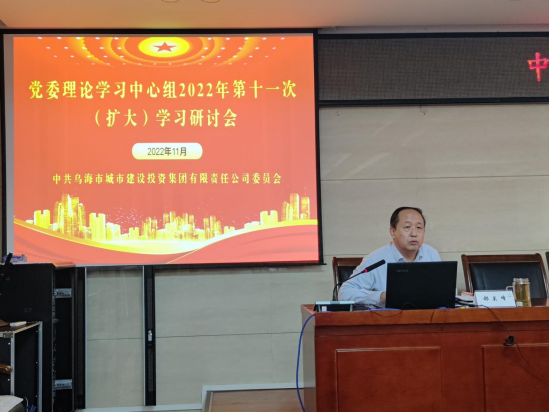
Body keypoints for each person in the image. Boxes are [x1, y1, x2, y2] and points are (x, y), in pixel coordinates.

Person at [338, 207, 441, 307]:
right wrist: (382, 297)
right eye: (407, 227)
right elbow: (344, 293)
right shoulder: (376, 259)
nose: (414, 234)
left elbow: (443, 290)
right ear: (393, 232)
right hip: (388, 317)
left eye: (419, 228)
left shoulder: (431, 254)